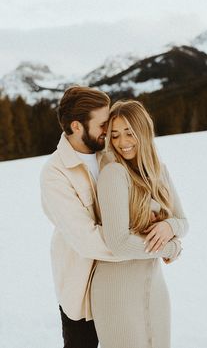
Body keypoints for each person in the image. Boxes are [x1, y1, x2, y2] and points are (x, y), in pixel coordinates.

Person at [40, 86, 183, 348]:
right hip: (82, 284)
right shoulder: (55, 174)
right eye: (103, 124)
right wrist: (160, 246)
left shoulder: (110, 154)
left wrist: (169, 226)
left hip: (127, 278)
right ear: (77, 126)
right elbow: (88, 239)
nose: (110, 131)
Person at [90, 100, 189, 348]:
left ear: (143, 131)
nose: (123, 142)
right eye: (114, 135)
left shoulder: (159, 171)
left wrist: (169, 227)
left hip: (153, 285)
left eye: (129, 133)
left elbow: (182, 221)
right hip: (117, 291)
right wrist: (171, 248)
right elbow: (119, 243)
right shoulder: (114, 174)